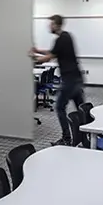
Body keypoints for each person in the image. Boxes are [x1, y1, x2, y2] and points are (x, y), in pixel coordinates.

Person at [31, 15, 84, 145]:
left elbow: (49, 57)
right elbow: (52, 52)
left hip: (69, 80)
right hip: (76, 78)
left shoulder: (61, 39)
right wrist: (38, 51)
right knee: (81, 109)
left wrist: (32, 57)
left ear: (56, 24)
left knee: (60, 107)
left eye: (51, 24)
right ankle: (86, 135)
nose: (49, 26)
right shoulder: (66, 36)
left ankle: (66, 138)